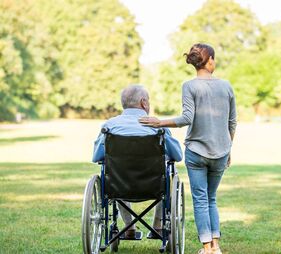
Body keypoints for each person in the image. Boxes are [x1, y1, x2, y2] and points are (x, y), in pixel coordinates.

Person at [139, 43, 236, 254]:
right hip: (221, 151)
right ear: (209, 59)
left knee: (201, 199)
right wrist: (228, 149)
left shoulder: (189, 86)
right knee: (211, 198)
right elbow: (232, 122)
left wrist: (160, 122)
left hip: (197, 152)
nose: (214, 62)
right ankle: (216, 247)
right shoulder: (227, 86)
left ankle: (206, 248)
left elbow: (186, 119)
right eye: (214, 58)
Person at [92, 84, 183, 239]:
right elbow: (178, 156)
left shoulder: (109, 126)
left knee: (117, 174)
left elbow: (97, 157)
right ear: (144, 103)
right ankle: (158, 227)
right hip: (154, 186)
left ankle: (129, 229)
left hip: (119, 186)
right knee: (167, 175)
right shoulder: (157, 127)